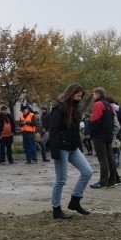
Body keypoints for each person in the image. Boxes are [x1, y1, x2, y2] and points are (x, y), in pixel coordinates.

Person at [48, 83, 93, 219]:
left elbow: (75, 131)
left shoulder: (75, 109)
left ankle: (75, 201)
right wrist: (55, 151)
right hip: (61, 148)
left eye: (81, 96)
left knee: (87, 172)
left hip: (73, 147)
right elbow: (53, 131)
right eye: (78, 96)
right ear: (71, 93)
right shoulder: (59, 109)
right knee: (61, 180)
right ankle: (56, 209)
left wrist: (79, 147)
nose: (80, 99)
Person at [89, 87, 119, 189]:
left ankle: (103, 182)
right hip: (108, 135)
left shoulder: (98, 104)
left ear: (98, 94)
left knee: (102, 159)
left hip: (99, 136)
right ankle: (112, 180)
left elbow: (95, 120)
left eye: (93, 94)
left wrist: (92, 133)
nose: (93, 96)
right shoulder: (109, 105)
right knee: (110, 158)